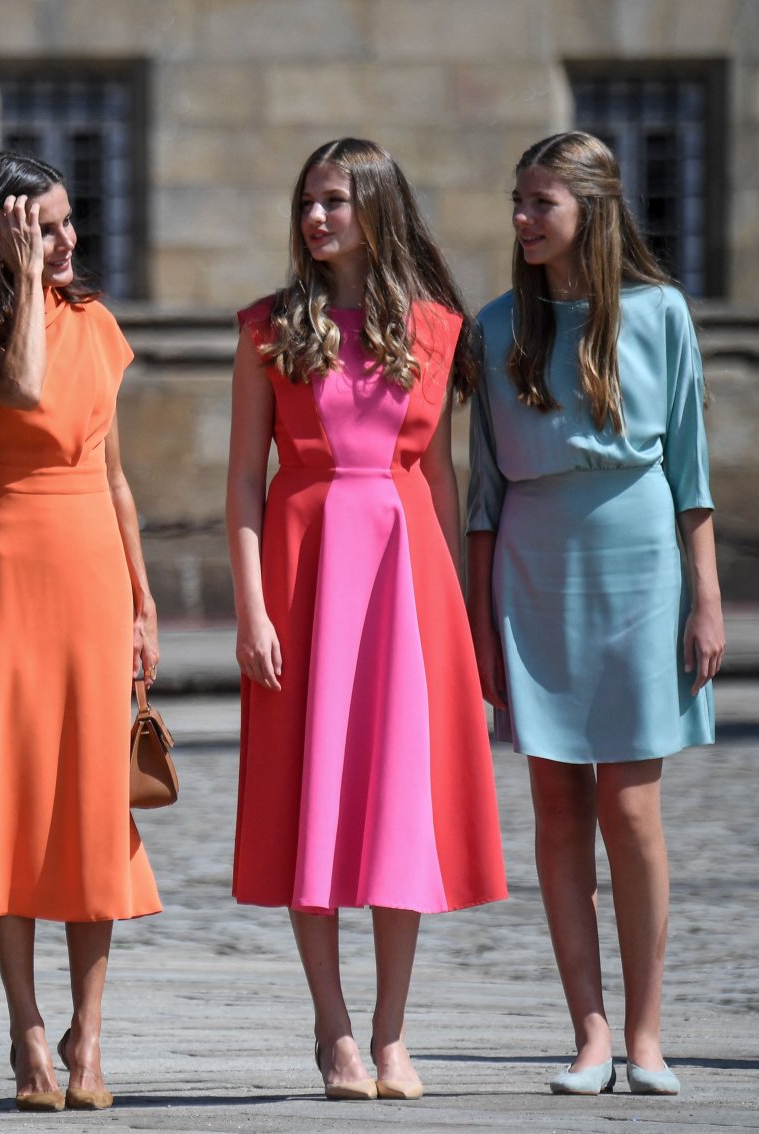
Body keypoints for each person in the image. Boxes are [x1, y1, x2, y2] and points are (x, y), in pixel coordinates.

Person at [226, 138, 507, 1102]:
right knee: (310, 800)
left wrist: (462, 623)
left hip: (405, 582)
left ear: (377, 209)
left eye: (336, 201)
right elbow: (240, 485)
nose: (316, 218)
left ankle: (392, 1035)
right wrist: (251, 609)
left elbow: (439, 477)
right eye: (308, 201)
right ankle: (334, 1029)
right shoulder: (267, 328)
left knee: (396, 804)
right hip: (302, 577)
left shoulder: (436, 329)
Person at [466, 131, 724, 1097]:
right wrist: (479, 624)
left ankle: (650, 1035)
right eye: (518, 202)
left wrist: (705, 599)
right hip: (533, 570)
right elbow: (481, 496)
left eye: (543, 203)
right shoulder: (495, 329)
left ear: (593, 211)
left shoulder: (662, 316)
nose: (524, 219)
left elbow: (692, 473)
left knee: (631, 805)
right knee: (556, 804)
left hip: (644, 564)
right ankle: (588, 1032)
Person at [0, 151, 161, 1113]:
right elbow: (21, 389)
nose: (66, 243)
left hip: (95, 578)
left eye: (68, 225)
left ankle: (89, 1038)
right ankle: (28, 1033)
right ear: (1, 234)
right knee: (13, 799)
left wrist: (144, 605)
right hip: (11, 578)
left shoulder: (96, 324)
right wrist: (22, 283)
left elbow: (111, 477)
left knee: (93, 809)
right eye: (44, 228)